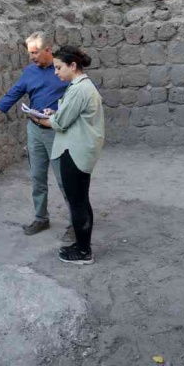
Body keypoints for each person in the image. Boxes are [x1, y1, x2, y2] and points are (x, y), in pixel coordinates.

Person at [0, 32, 71, 239]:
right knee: (37, 177)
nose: (31, 57)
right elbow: (11, 97)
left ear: (47, 50)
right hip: (34, 131)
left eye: (35, 52)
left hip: (58, 132)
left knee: (65, 179)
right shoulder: (29, 72)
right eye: (29, 53)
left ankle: (75, 222)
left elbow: (78, 99)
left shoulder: (63, 70)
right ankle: (41, 217)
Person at [36, 46, 105, 265]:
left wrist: (39, 119)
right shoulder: (81, 86)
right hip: (79, 149)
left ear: (73, 66)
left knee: (77, 202)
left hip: (74, 151)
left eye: (58, 68)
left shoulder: (78, 89)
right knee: (81, 201)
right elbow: (70, 115)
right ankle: (83, 245)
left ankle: (84, 252)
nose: (56, 72)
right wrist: (56, 113)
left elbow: (60, 123)